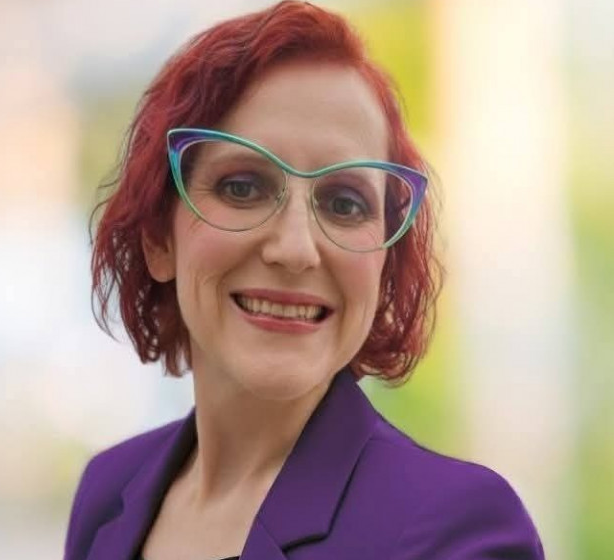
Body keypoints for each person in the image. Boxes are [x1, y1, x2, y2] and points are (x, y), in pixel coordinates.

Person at [64, 2, 545, 559]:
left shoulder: (458, 527)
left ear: (384, 261)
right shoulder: (108, 493)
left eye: (344, 203)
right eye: (243, 187)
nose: (295, 249)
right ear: (159, 239)